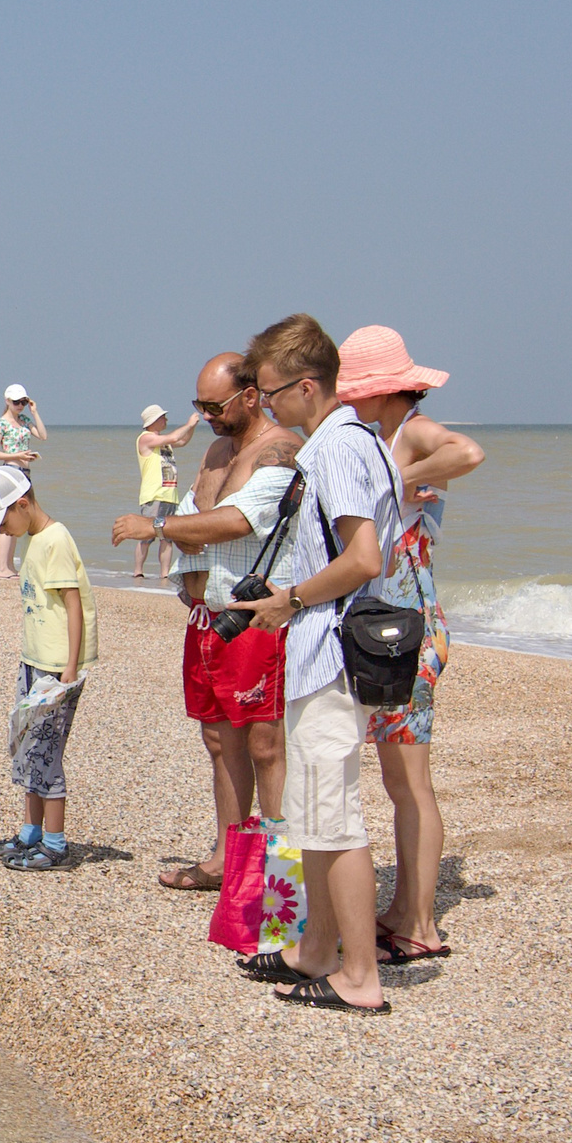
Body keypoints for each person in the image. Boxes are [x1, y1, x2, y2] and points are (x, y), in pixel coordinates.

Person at [227, 314, 405, 1016]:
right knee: (315, 815)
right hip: (322, 650)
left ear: (308, 386)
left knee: (335, 816)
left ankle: (359, 975)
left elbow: (364, 558)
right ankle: (315, 948)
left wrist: (289, 600)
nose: (267, 407)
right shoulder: (351, 442)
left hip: (331, 649)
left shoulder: (336, 449)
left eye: (272, 394)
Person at [111, 355, 300, 891]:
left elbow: (240, 521)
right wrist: (186, 529)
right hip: (205, 619)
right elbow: (201, 522)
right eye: (200, 405)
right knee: (218, 741)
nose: (207, 416)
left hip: (255, 621)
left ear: (250, 396)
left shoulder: (281, 450)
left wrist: (161, 525)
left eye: (215, 406)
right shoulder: (218, 450)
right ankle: (227, 857)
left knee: (266, 745)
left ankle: (275, 868)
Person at [339, 325, 484, 965]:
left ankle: (419, 923)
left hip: (409, 630)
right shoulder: (375, 436)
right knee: (400, 779)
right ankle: (406, 908)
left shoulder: (412, 429)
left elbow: (469, 453)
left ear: (384, 390)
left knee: (410, 781)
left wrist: (402, 478)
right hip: (390, 627)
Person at [0, 467, 96, 871]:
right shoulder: (33, 539)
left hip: (55, 669)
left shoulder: (56, 540)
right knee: (27, 748)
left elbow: (73, 603)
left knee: (47, 752)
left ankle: (56, 843)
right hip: (33, 662)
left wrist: (69, 668)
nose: (4, 531)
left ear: (22, 504)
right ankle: (30, 834)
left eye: (4, 520)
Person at [131, 404, 201, 578]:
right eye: (163, 417)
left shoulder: (164, 442)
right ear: (154, 420)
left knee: (167, 536)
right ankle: (138, 571)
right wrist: (189, 424)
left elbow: (182, 441)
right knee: (146, 535)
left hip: (170, 495)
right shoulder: (145, 438)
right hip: (154, 495)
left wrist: (192, 428)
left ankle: (164, 574)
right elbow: (174, 436)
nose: (166, 420)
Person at [0, 384, 46, 576]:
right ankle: (1, 567)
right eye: (16, 402)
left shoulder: (25, 420)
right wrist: (18, 454)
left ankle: (10, 566)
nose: (20, 405)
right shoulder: (1, 423)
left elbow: (43, 436)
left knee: (18, 520)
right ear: (7, 401)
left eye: (23, 402)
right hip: (10, 472)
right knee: (8, 520)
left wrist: (35, 412)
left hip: (25, 473)